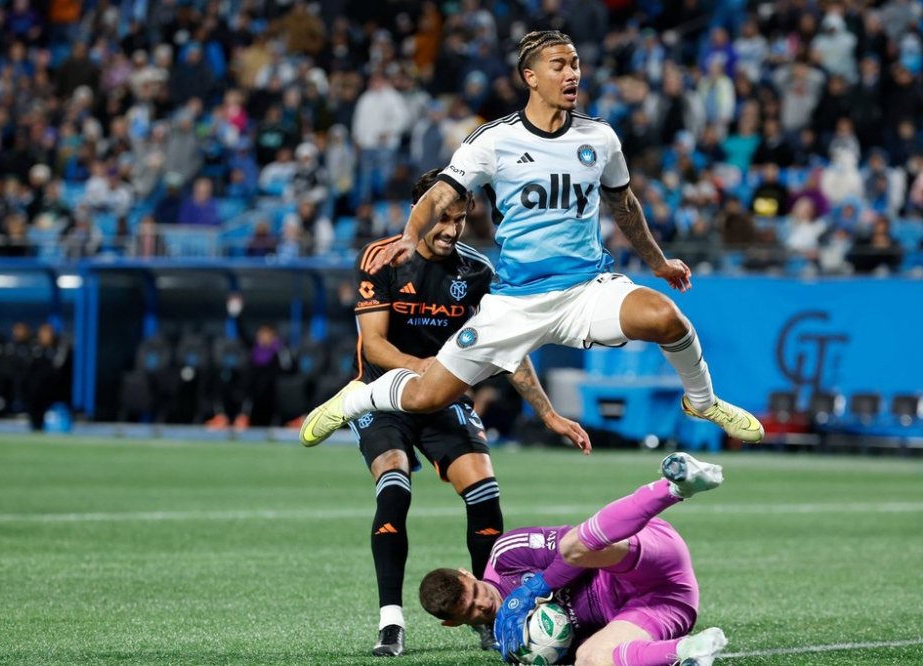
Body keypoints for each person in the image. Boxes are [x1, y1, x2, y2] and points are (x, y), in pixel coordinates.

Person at [300, 30, 764, 449]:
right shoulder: (492, 141)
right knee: (425, 395)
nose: (572, 73)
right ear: (531, 77)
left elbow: (624, 205)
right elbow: (443, 191)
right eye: (559, 65)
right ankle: (358, 398)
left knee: (667, 317)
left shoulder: (599, 137)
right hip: (516, 301)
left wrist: (659, 263)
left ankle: (702, 402)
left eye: (576, 64)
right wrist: (409, 234)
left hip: (586, 289)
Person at [343, 168, 588, 658]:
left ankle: (490, 607)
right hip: (382, 395)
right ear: (421, 211)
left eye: (461, 219)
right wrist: (429, 371)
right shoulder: (383, 259)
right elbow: (374, 344)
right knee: (395, 486)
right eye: (444, 217)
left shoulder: (477, 272)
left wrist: (548, 414)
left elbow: (510, 351)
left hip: (443, 401)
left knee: (485, 493)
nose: (452, 229)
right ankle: (390, 621)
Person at [419, 452, 728, 666]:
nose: (482, 604)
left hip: (644, 560)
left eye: (475, 593)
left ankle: (675, 486)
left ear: (467, 575)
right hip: (663, 607)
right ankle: (689, 650)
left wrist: (534, 589)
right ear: (453, 623)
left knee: (573, 546)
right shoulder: (512, 645)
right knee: (590, 659)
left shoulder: (506, 555)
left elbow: (585, 547)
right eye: (470, 610)